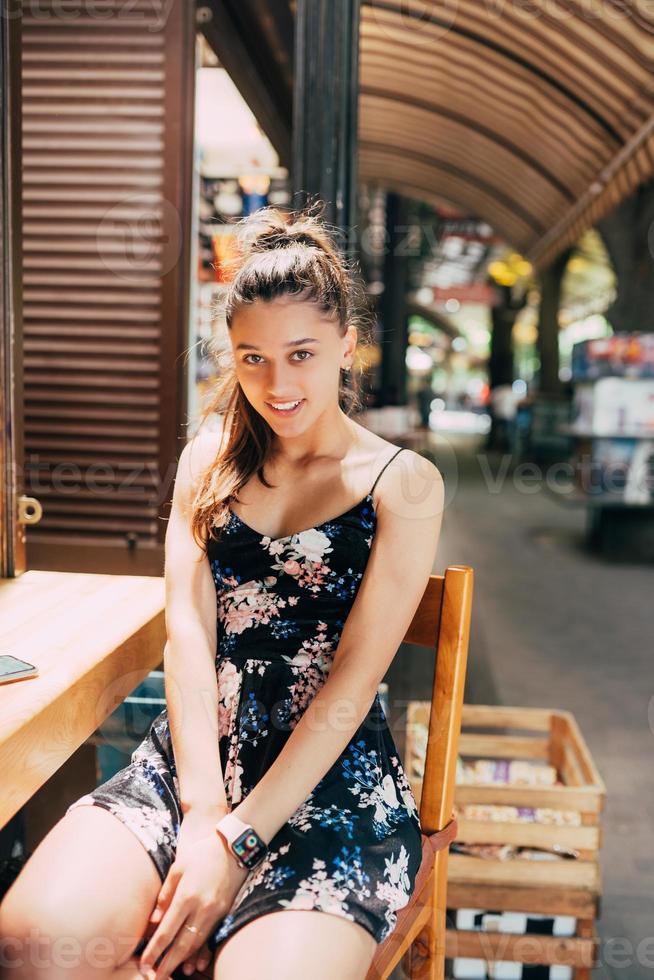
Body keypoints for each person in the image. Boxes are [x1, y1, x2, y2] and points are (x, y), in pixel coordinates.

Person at [0, 206, 444, 980]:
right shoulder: (209, 458)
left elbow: (352, 681)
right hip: (193, 764)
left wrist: (240, 840)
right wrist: (207, 813)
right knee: (32, 943)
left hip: (329, 782)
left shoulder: (401, 483)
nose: (278, 384)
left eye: (301, 354)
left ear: (347, 345)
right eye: (253, 358)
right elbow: (191, 635)